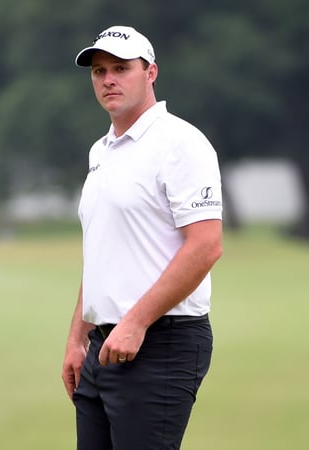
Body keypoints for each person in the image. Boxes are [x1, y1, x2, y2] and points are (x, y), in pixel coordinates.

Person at [61, 25, 223, 449]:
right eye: (99, 71)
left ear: (150, 72)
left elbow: (206, 245)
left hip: (161, 341)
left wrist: (135, 323)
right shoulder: (102, 151)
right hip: (104, 343)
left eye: (121, 68)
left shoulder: (181, 143)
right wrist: (78, 337)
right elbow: (102, 252)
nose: (108, 79)